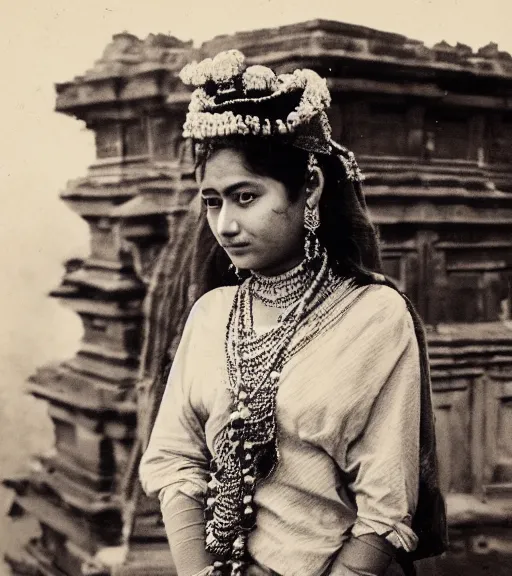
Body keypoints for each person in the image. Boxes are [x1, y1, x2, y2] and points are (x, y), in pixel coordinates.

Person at [139, 50, 447, 576]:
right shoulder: (212, 314)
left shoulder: (373, 315)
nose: (225, 223)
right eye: (212, 201)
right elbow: (172, 459)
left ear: (310, 188)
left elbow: (387, 504)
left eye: (245, 196)